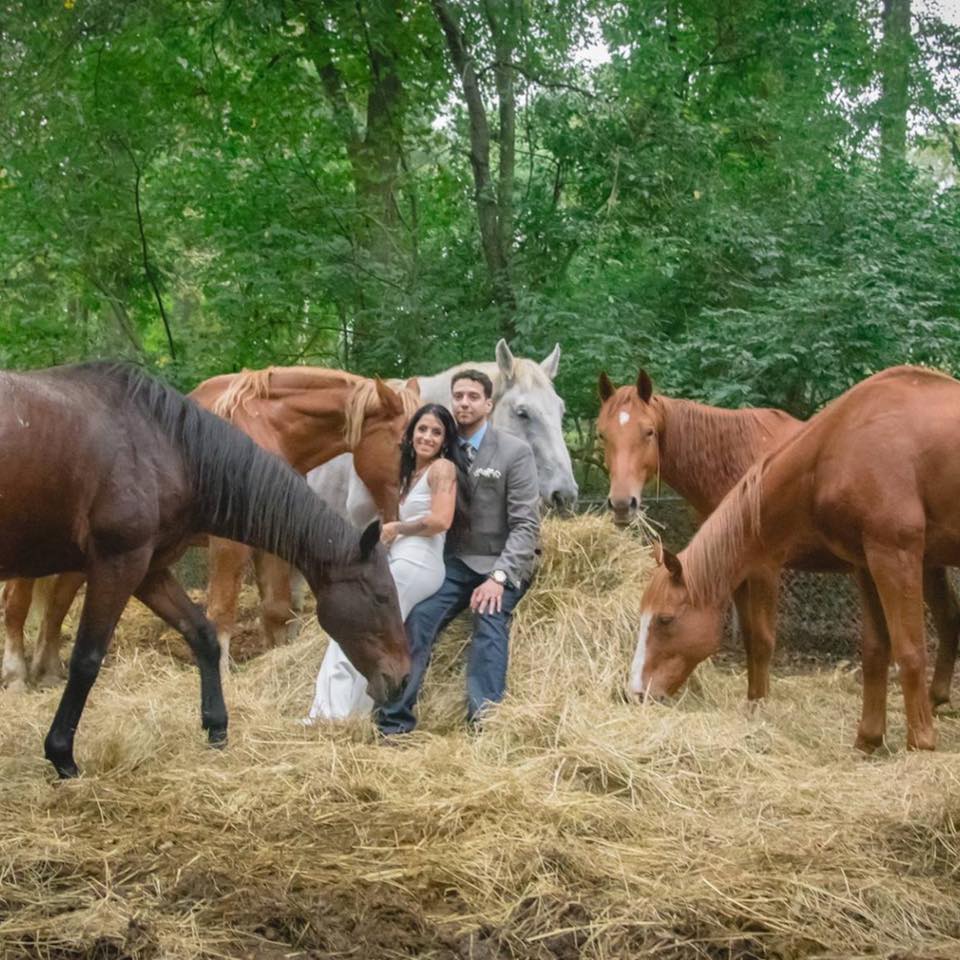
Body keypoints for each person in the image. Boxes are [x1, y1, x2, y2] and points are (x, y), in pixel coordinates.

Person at [375, 369, 540, 737]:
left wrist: (498, 579)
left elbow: (526, 526)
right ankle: (392, 722)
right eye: (458, 396)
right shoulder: (442, 452)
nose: (464, 403)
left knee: (489, 619)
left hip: (499, 562)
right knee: (418, 620)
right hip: (455, 564)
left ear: (488, 404)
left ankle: (484, 725)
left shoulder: (515, 452)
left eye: (472, 396)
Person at [305, 403, 470, 721]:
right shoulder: (411, 472)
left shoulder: (442, 469)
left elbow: (441, 521)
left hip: (418, 563)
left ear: (446, 440)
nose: (427, 437)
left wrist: (398, 528)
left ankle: (328, 716)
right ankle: (350, 714)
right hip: (404, 558)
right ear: (411, 434)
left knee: (354, 627)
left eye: (436, 432)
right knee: (366, 633)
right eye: (422, 429)